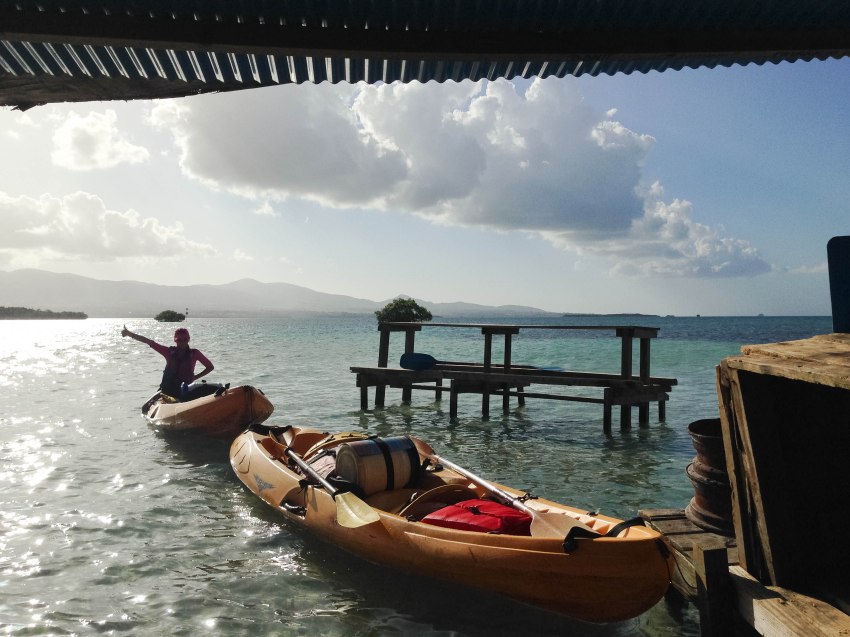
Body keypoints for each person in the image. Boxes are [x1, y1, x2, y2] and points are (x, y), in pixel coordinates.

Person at [122, 325, 214, 398]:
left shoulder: (195, 353)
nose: (182, 342)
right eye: (179, 340)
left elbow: (210, 367)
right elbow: (149, 342)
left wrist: (195, 377)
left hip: (186, 389)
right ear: (175, 340)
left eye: (185, 339)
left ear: (189, 339)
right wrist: (129, 334)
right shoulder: (168, 352)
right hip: (168, 390)